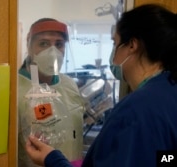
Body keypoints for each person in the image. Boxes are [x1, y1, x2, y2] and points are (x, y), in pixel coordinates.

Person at [25, 4, 177, 167]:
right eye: (43, 44)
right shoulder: (169, 91)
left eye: (115, 43)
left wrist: (53, 160)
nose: (53, 51)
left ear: (132, 45)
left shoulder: (137, 110)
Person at [18, 18, 85, 167]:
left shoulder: (69, 84)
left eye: (59, 44)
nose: (52, 51)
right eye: (43, 43)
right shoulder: (15, 88)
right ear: (29, 46)